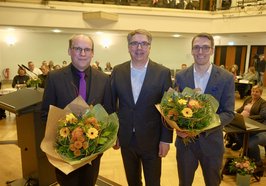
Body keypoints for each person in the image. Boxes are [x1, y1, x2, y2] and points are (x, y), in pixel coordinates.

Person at [41, 34, 113, 186]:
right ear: (69, 50)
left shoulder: (104, 79)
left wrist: (99, 144)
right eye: (78, 48)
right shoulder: (55, 78)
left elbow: (108, 112)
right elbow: (45, 114)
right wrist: (59, 142)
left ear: (92, 53)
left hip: (92, 153)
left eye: (87, 49)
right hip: (64, 153)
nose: (82, 53)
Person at [111, 29, 173, 186]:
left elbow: (168, 109)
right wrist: (113, 134)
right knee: (132, 181)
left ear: (149, 47)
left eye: (144, 43)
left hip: (152, 139)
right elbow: (111, 105)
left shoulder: (162, 73)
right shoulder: (118, 71)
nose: (139, 48)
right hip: (126, 138)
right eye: (134, 43)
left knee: (153, 182)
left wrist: (166, 139)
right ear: (128, 47)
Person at [174, 33, 235, 186]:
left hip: (212, 144)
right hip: (185, 144)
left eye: (205, 47)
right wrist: (177, 126)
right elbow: (173, 108)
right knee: (184, 183)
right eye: (197, 47)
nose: (200, 52)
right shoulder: (181, 76)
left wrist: (204, 126)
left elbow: (228, 113)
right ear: (192, 50)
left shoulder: (226, 78)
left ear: (212, 50)